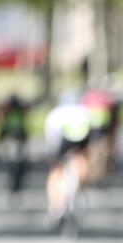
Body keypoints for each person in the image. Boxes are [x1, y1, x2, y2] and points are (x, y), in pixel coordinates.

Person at [43, 92, 93, 225]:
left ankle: (55, 206)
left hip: (60, 139)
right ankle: (80, 187)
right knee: (83, 161)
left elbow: (50, 138)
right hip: (79, 139)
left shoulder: (55, 113)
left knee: (56, 171)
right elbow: (90, 136)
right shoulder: (84, 111)